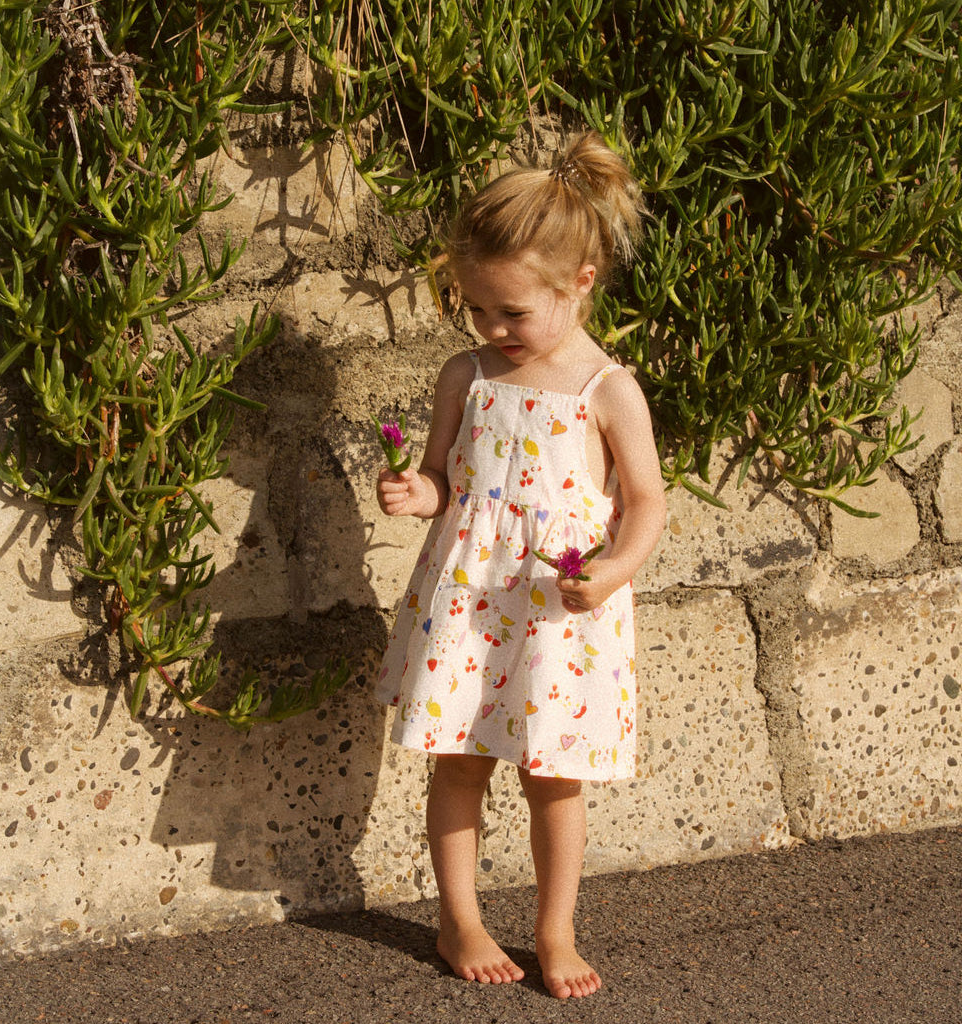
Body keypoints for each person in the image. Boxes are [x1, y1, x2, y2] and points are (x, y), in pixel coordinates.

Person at [374, 131, 667, 999]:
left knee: (553, 772)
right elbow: (443, 478)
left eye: (512, 314)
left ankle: (555, 928)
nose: (493, 330)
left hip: (555, 607)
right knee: (458, 759)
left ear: (579, 284)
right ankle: (458, 917)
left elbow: (647, 502)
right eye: (477, 310)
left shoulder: (606, 389)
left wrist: (614, 571)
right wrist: (416, 496)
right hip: (467, 601)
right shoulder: (465, 375)